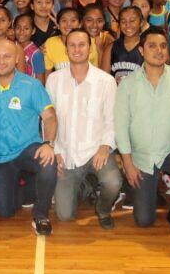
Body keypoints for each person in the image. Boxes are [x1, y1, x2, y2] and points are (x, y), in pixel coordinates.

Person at [115, 27, 170, 239]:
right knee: (144, 221)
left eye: (163, 46)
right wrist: (128, 164)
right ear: (142, 50)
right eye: (152, 46)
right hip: (141, 155)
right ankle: (149, 188)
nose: (159, 50)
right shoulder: (127, 84)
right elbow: (120, 125)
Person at [0, 38, 58, 235]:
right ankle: (25, 186)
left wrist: (48, 143)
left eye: (7, 56)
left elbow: (50, 117)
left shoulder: (32, 85)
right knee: (5, 212)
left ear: (18, 58)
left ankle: (41, 215)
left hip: (28, 149)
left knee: (48, 162)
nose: (1, 61)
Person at [47, 29, 120, 229]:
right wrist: (54, 150)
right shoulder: (54, 80)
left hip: (96, 151)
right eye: (72, 45)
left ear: (90, 48)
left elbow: (112, 119)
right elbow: (48, 119)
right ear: (66, 48)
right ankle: (86, 185)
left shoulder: (106, 81)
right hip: (66, 153)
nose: (77, 49)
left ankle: (103, 209)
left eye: (82, 45)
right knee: (64, 215)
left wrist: (105, 146)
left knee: (113, 182)